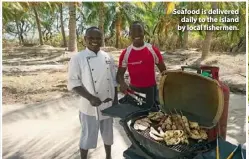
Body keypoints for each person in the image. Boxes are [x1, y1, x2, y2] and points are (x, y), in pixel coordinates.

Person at [67, 26, 118, 159]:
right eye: (91, 38)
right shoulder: (78, 58)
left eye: (98, 38)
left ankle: (108, 157)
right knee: (87, 137)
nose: (95, 40)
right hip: (89, 107)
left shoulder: (108, 57)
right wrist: (90, 97)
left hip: (108, 105)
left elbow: (113, 81)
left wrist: (116, 101)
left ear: (102, 39)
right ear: (85, 39)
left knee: (108, 135)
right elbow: (73, 83)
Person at [117, 21, 166, 109]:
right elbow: (120, 74)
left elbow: (164, 71)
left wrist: (166, 86)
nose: (137, 34)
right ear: (130, 34)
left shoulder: (152, 50)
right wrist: (122, 83)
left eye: (139, 31)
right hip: (134, 90)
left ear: (144, 33)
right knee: (135, 113)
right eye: (133, 32)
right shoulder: (125, 53)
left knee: (151, 115)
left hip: (151, 89)